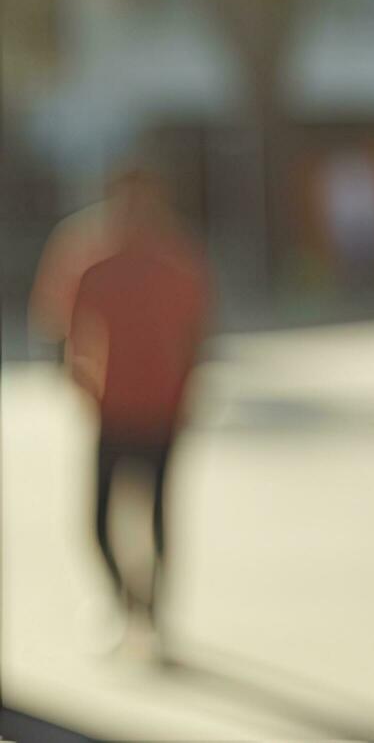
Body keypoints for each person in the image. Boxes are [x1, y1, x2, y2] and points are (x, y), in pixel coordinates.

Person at [29, 166, 211, 661]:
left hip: (164, 407)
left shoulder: (176, 257)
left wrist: (189, 392)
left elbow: (198, 332)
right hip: (111, 409)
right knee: (97, 519)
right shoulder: (89, 256)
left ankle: (153, 616)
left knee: (156, 517)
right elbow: (58, 325)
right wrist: (80, 381)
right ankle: (119, 600)